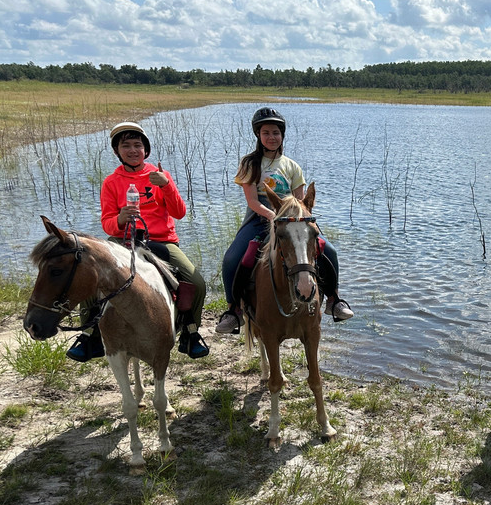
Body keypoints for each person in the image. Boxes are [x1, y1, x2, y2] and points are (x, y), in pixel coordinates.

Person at [67, 122, 209, 361]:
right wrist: (120, 219)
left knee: (196, 282)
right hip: (121, 241)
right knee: (90, 278)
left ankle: (190, 332)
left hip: (161, 241)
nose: (133, 150)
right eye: (126, 146)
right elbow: (107, 223)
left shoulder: (160, 176)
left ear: (146, 150)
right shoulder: (111, 182)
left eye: (137, 145)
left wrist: (166, 185)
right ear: (116, 151)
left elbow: (180, 212)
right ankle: (89, 335)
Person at [215, 107, 353, 334]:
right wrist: (274, 217)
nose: (272, 137)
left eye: (276, 133)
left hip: (292, 222)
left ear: (282, 135)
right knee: (232, 258)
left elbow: (300, 202)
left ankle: (334, 300)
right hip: (259, 221)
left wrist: (295, 221)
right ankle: (233, 311)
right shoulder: (250, 164)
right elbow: (252, 201)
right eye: (266, 132)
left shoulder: (292, 166)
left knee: (330, 251)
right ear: (258, 135)